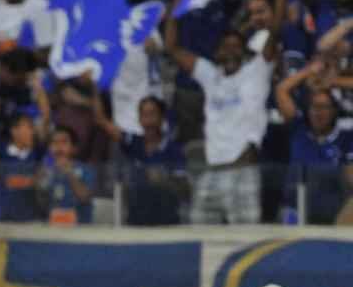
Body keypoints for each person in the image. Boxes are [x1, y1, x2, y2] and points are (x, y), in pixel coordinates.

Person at [167, 17, 277, 224]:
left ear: (244, 52)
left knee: (245, 237)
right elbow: (172, 48)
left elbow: (276, 31)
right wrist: (177, 4)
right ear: (217, 52)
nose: (231, 50)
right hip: (213, 170)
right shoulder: (209, 75)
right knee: (200, 234)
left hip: (243, 169)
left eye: (236, 46)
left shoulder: (256, 72)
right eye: (226, 46)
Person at [274, 62, 353, 224]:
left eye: (325, 107)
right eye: (315, 107)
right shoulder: (299, 129)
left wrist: (332, 82)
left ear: (334, 111)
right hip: (294, 211)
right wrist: (308, 71)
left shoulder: (345, 138)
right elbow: (281, 90)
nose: (319, 112)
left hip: (332, 215)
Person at [92, 93, 189, 225]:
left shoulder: (174, 149)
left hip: (166, 218)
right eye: (143, 115)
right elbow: (101, 120)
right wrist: (94, 86)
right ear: (139, 119)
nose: (148, 120)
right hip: (136, 218)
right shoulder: (133, 143)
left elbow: (184, 189)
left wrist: (164, 179)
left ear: (162, 118)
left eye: (152, 114)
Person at [38, 126, 94, 225]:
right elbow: (39, 201)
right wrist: (41, 177)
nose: (59, 147)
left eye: (64, 142)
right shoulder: (45, 170)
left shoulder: (86, 169)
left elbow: (84, 197)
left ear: (73, 148)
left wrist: (69, 173)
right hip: (50, 229)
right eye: (54, 142)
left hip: (80, 229)